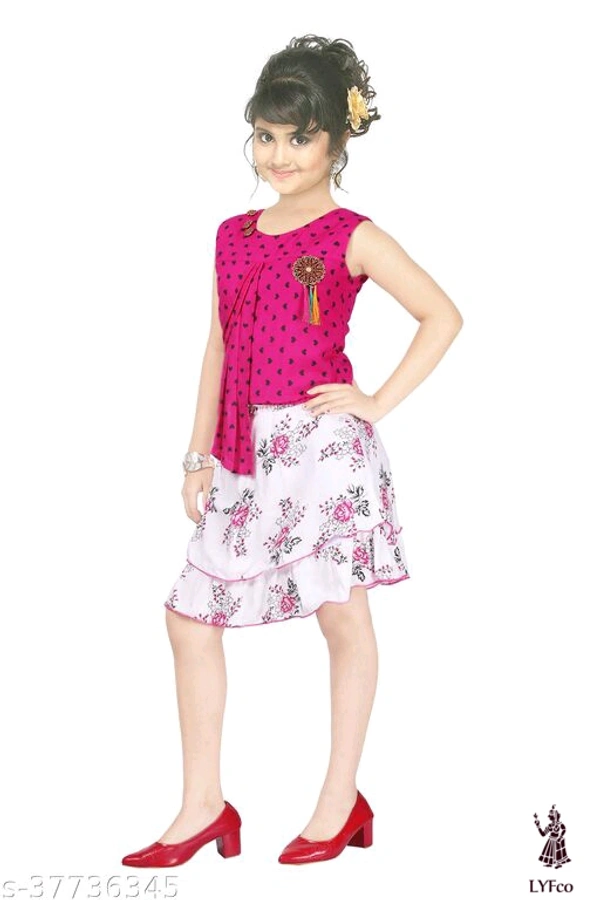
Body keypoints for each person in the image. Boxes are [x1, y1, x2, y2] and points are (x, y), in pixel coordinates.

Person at [122, 33, 463, 868]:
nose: (279, 155)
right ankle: (204, 804)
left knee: (341, 613)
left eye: (300, 138)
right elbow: (217, 345)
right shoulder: (232, 235)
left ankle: (340, 799)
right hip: (243, 451)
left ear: (338, 141)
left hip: (322, 450)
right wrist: (196, 455)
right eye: (265, 136)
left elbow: (442, 315)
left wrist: (374, 402)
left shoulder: (352, 234)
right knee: (189, 617)